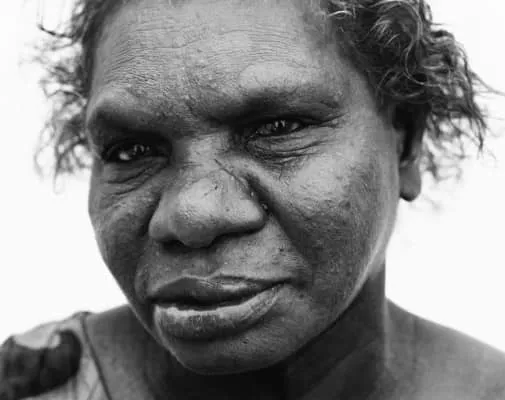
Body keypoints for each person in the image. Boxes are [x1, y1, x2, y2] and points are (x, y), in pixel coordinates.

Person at [1, 0, 504, 399]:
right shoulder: (35, 382)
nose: (191, 215)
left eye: (277, 128)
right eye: (131, 151)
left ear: (406, 140)